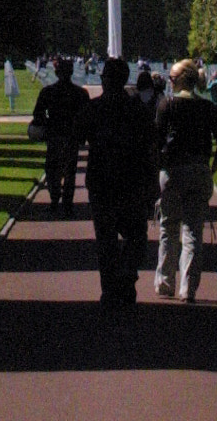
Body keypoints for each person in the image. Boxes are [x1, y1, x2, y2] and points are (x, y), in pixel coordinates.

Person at [75, 56, 157, 308]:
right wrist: (152, 183)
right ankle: (125, 276)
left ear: (105, 80)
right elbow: (150, 149)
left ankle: (110, 288)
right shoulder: (138, 110)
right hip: (131, 182)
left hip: (102, 183)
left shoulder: (93, 108)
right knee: (136, 238)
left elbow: (78, 138)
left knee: (106, 240)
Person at [155, 58, 217, 303]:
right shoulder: (208, 108)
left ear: (178, 81)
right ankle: (188, 288)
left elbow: (156, 142)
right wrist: (213, 168)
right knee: (193, 232)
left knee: (168, 228)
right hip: (199, 170)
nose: (170, 82)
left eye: (171, 79)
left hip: (173, 172)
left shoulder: (167, 105)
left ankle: (166, 282)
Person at [28, 55, 90, 213]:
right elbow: (86, 117)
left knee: (53, 169)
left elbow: (38, 115)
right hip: (70, 135)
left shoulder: (49, 92)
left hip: (55, 135)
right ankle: (67, 202)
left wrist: (46, 125)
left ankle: (55, 198)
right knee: (69, 170)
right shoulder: (80, 94)